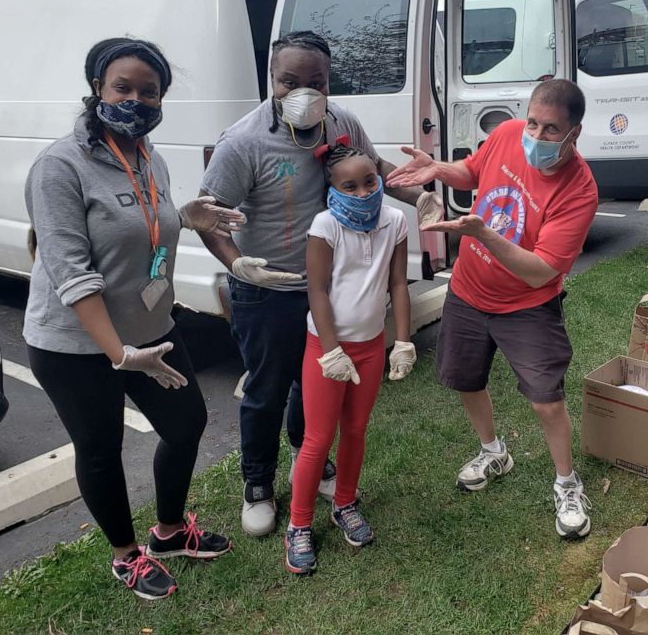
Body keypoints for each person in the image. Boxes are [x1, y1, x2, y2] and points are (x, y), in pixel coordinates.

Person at [198, 31, 440, 537]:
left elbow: (371, 171)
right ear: (272, 79)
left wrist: (417, 190)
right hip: (266, 291)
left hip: (326, 291)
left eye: (316, 82)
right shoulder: (241, 142)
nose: (303, 92)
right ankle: (258, 484)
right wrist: (238, 263)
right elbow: (208, 217)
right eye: (290, 81)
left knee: (312, 392)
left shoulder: (343, 123)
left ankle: (308, 457)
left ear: (330, 83)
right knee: (265, 390)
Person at [24, 38, 240, 600]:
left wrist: (183, 216)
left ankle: (169, 532)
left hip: (150, 329)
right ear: (98, 88)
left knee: (187, 422)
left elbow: (146, 231)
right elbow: (71, 273)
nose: (137, 101)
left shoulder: (150, 156)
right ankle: (126, 555)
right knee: (100, 448)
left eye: (150, 91)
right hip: (74, 343)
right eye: (124, 88)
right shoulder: (59, 166)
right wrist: (119, 355)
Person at [387, 78, 598, 539]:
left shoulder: (579, 190)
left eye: (550, 130)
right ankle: (493, 451)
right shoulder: (507, 134)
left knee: (546, 400)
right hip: (467, 290)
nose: (536, 137)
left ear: (573, 134)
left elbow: (541, 271)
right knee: (466, 379)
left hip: (527, 306)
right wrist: (438, 169)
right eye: (534, 123)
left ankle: (566, 483)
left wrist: (482, 234)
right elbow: (473, 171)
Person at [284, 141, 416, 574]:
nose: (362, 193)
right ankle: (299, 525)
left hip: (370, 345)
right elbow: (317, 290)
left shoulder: (395, 220)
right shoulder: (325, 226)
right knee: (318, 440)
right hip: (327, 349)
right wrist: (332, 348)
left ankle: (344, 503)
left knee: (356, 430)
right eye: (350, 186)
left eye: (370, 182)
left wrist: (402, 341)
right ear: (332, 189)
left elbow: (398, 283)